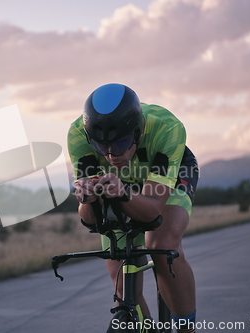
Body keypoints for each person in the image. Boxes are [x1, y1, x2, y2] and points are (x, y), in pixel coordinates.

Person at [68, 83, 199, 333]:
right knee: (117, 263)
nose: (110, 156)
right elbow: (90, 222)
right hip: (119, 184)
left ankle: (186, 329)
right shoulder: (77, 134)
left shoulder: (168, 127)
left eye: (119, 144)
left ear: (137, 132)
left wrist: (125, 193)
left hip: (169, 173)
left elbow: (152, 212)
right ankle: (144, 327)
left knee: (162, 243)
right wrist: (87, 199)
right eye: (100, 146)